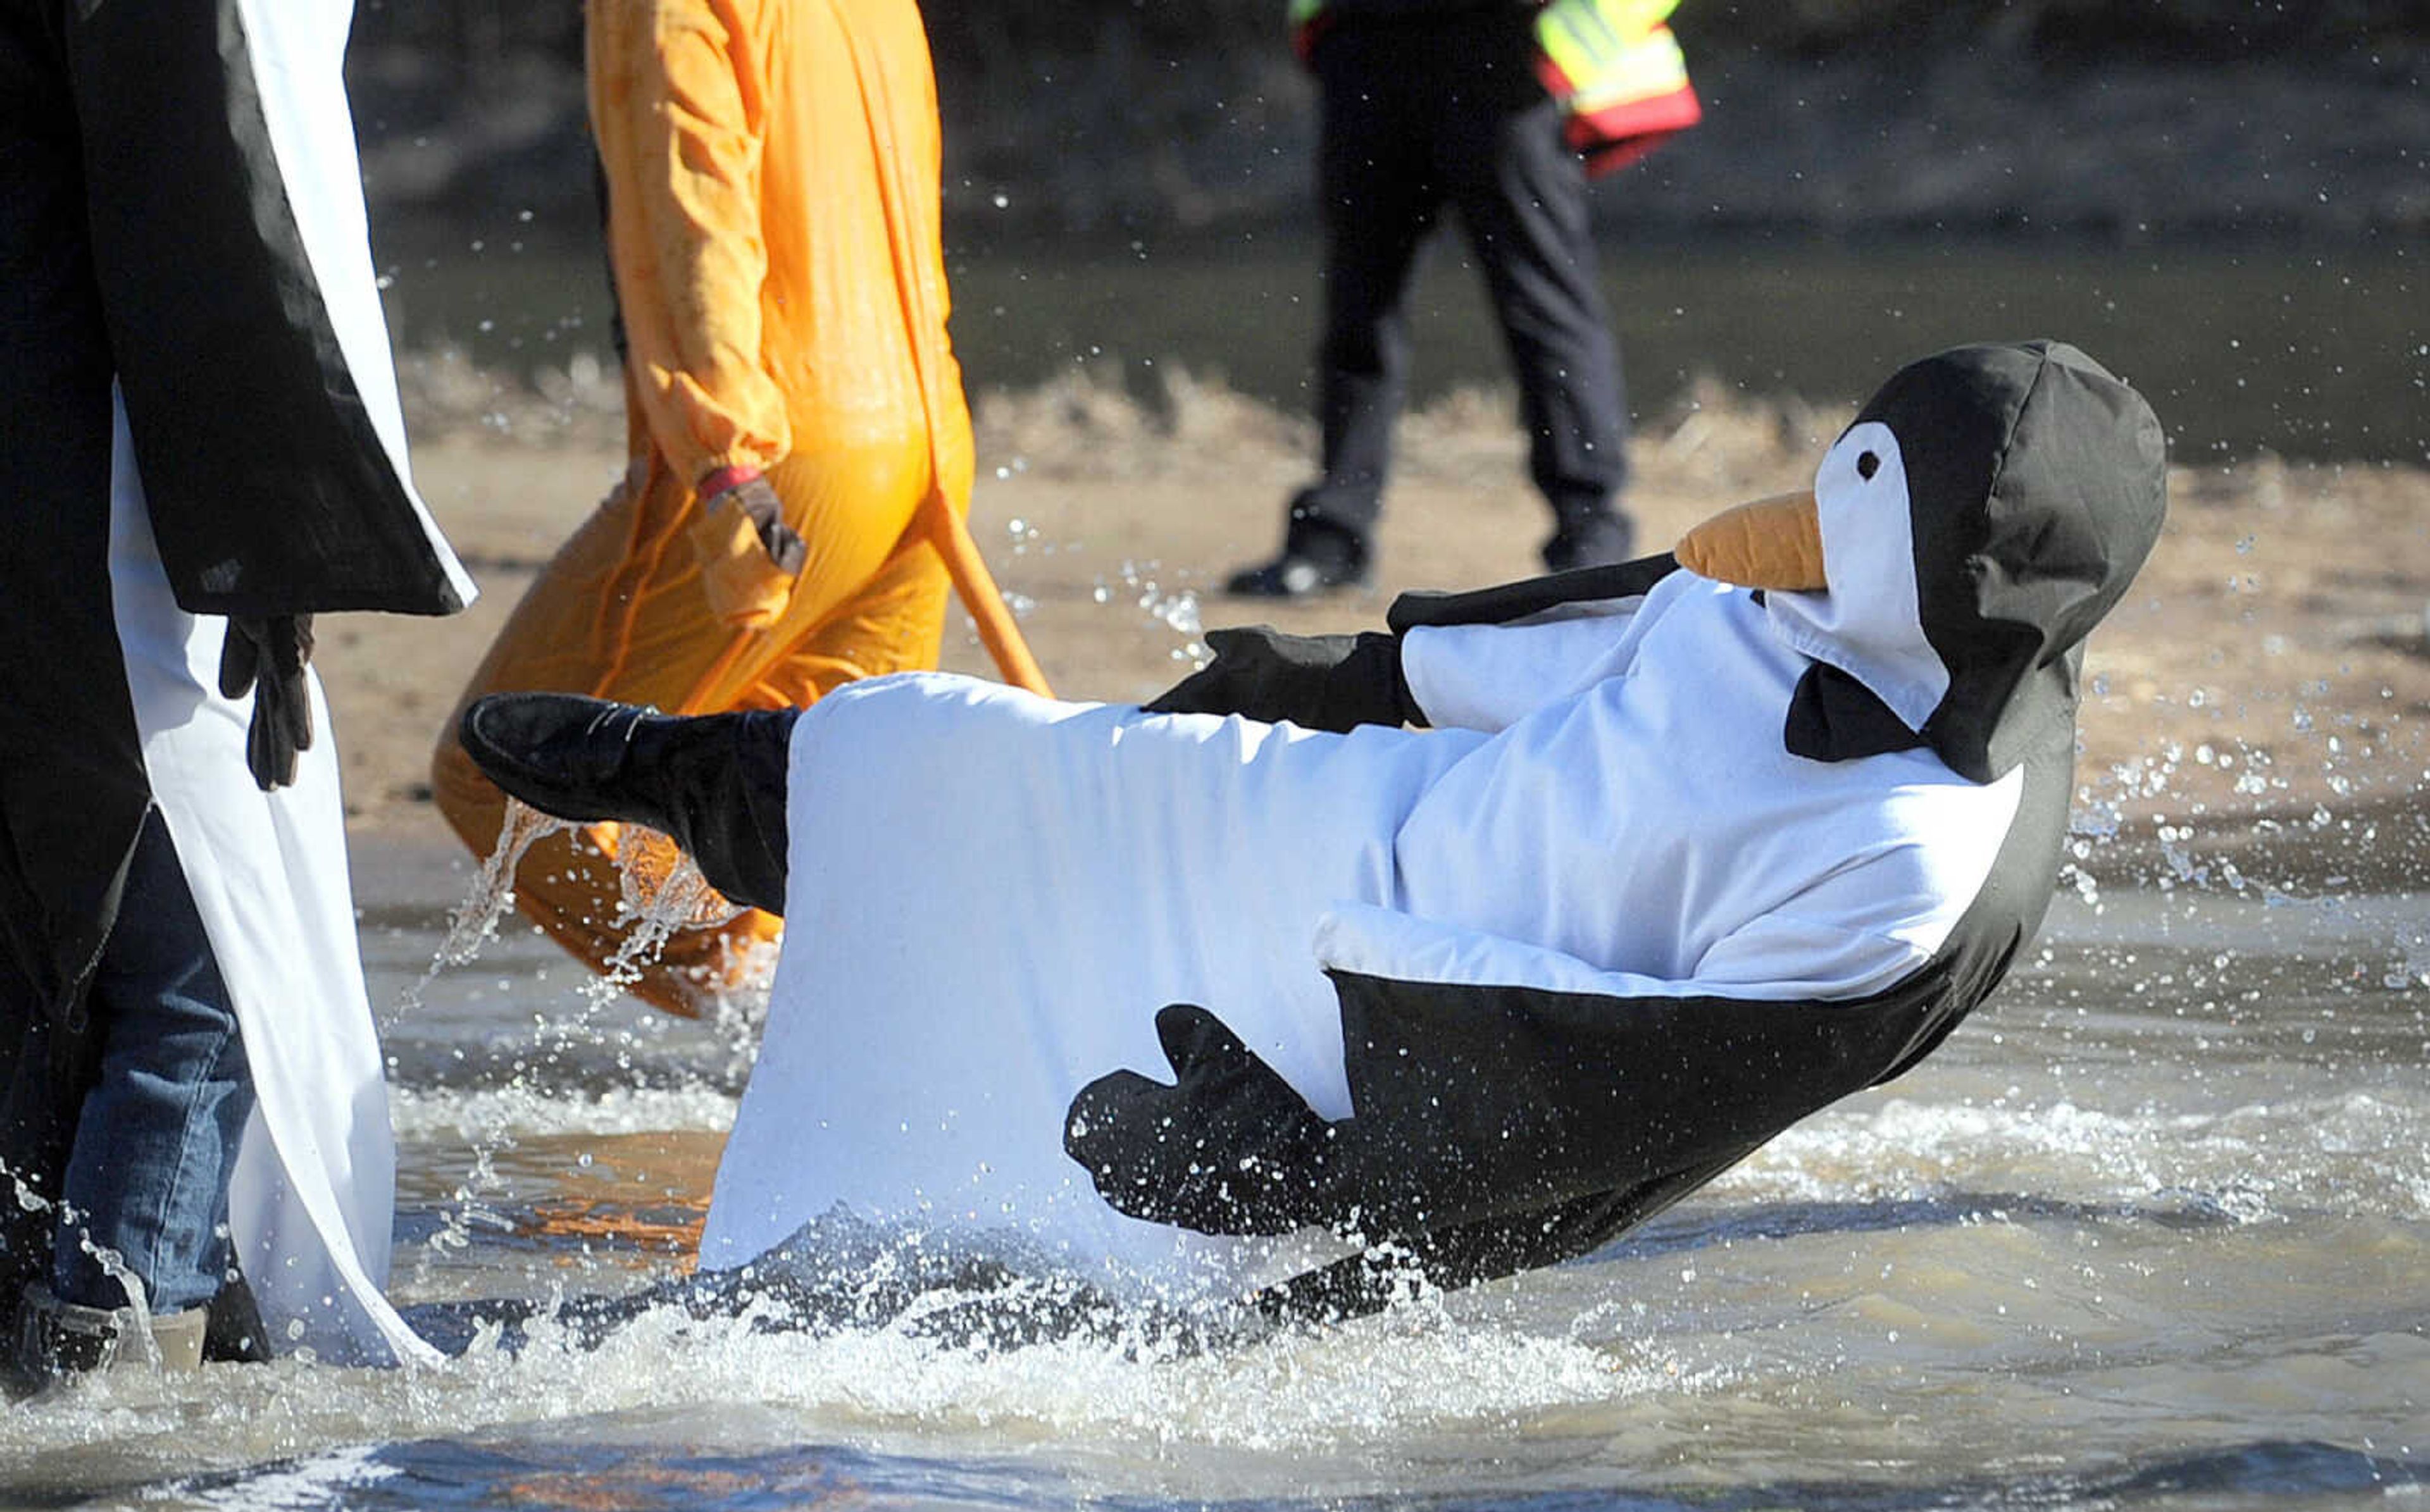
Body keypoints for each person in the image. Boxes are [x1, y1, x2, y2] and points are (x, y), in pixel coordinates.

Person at [461, 342, 2165, 1320]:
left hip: (1416, 1031)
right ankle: (709, 788)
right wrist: (1309, 680)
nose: (1804, 505)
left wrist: (1333, 1166)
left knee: (1121, 1267)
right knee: (979, 757)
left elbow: (1653, 1091)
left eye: (1859, 487)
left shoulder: (1928, 866)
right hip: (1384, 819)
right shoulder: (1774, 589)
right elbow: (1547, 646)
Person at [1, 1, 472, 1379]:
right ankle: (110, 1439)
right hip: (95, 495)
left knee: (48, 960)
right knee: (201, 970)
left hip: (53, 465)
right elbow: (212, 204)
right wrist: (274, 540)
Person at [428, 0, 1047, 1021]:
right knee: (834, 823)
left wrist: (724, 463)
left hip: (777, 465)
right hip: (919, 453)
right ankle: (856, 1050)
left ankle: (745, 1016)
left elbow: (697, 204)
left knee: (492, 773)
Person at [1225, 0, 1701, 598]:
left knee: (1547, 312)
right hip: (1366, 44)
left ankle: (1592, 541)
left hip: (1509, 48)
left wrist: (1557, 50)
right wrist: (1328, 36)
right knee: (1359, 309)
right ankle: (1332, 538)